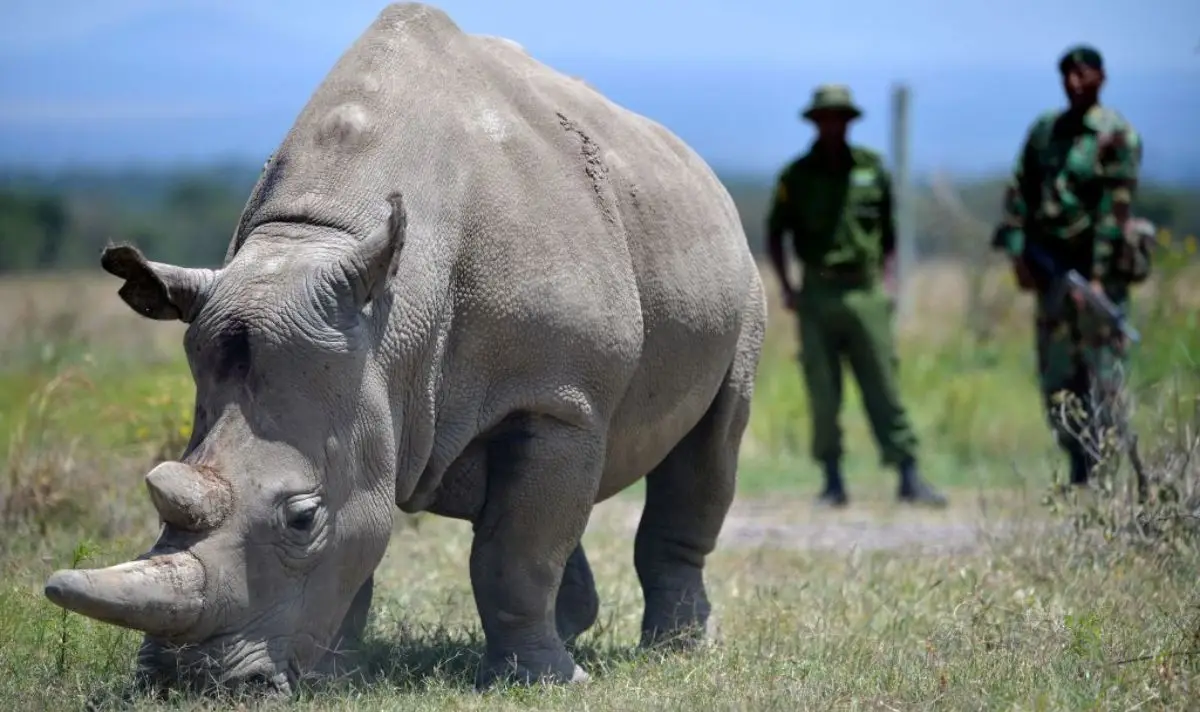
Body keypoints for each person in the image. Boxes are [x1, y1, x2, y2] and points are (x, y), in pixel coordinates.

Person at [766, 84, 947, 508]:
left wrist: (888, 282)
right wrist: (788, 287)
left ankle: (908, 474)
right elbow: (776, 233)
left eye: (840, 117)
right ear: (815, 122)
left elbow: (890, 233)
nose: (833, 125)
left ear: (849, 122)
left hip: (865, 292)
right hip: (817, 292)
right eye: (825, 117)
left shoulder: (871, 169)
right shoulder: (796, 175)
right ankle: (832, 481)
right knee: (823, 391)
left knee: (884, 386)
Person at [990, 45, 1152, 487]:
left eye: (1082, 74)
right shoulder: (1046, 131)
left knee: (1105, 380)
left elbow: (1114, 212)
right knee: (1057, 376)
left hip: (1097, 276)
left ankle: (1109, 470)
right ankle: (1077, 464)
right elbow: (1019, 191)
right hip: (1051, 273)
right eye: (1066, 75)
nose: (1073, 83)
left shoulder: (1116, 135)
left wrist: (1097, 278)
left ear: (1101, 77)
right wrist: (1018, 251)